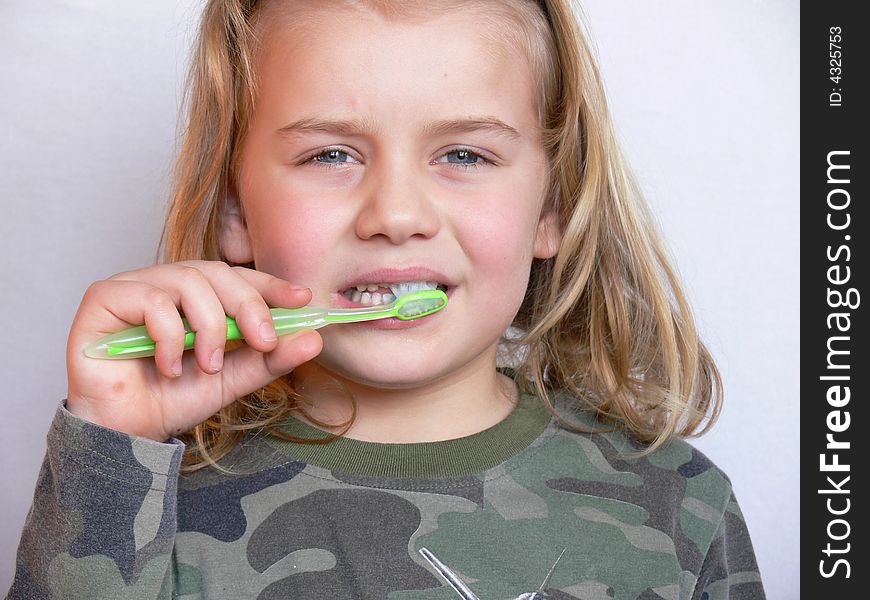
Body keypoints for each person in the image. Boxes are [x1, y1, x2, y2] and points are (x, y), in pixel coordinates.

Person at [7, 0, 766, 598]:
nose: (397, 215)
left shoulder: (679, 510)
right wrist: (108, 450)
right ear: (235, 209)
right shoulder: (139, 502)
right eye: (330, 154)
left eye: (464, 154)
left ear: (551, 206)